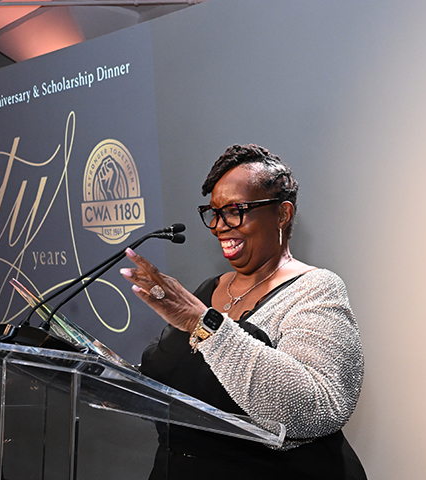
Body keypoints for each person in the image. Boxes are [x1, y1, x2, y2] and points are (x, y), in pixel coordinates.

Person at [120, 144, 366, 479]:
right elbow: (179, 387)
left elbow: (317, 408)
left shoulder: (316, 289)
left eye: (235, 210)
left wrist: (204, 324)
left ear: (282, 214)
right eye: (214, 212)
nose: (219, 226)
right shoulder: (208, 289)